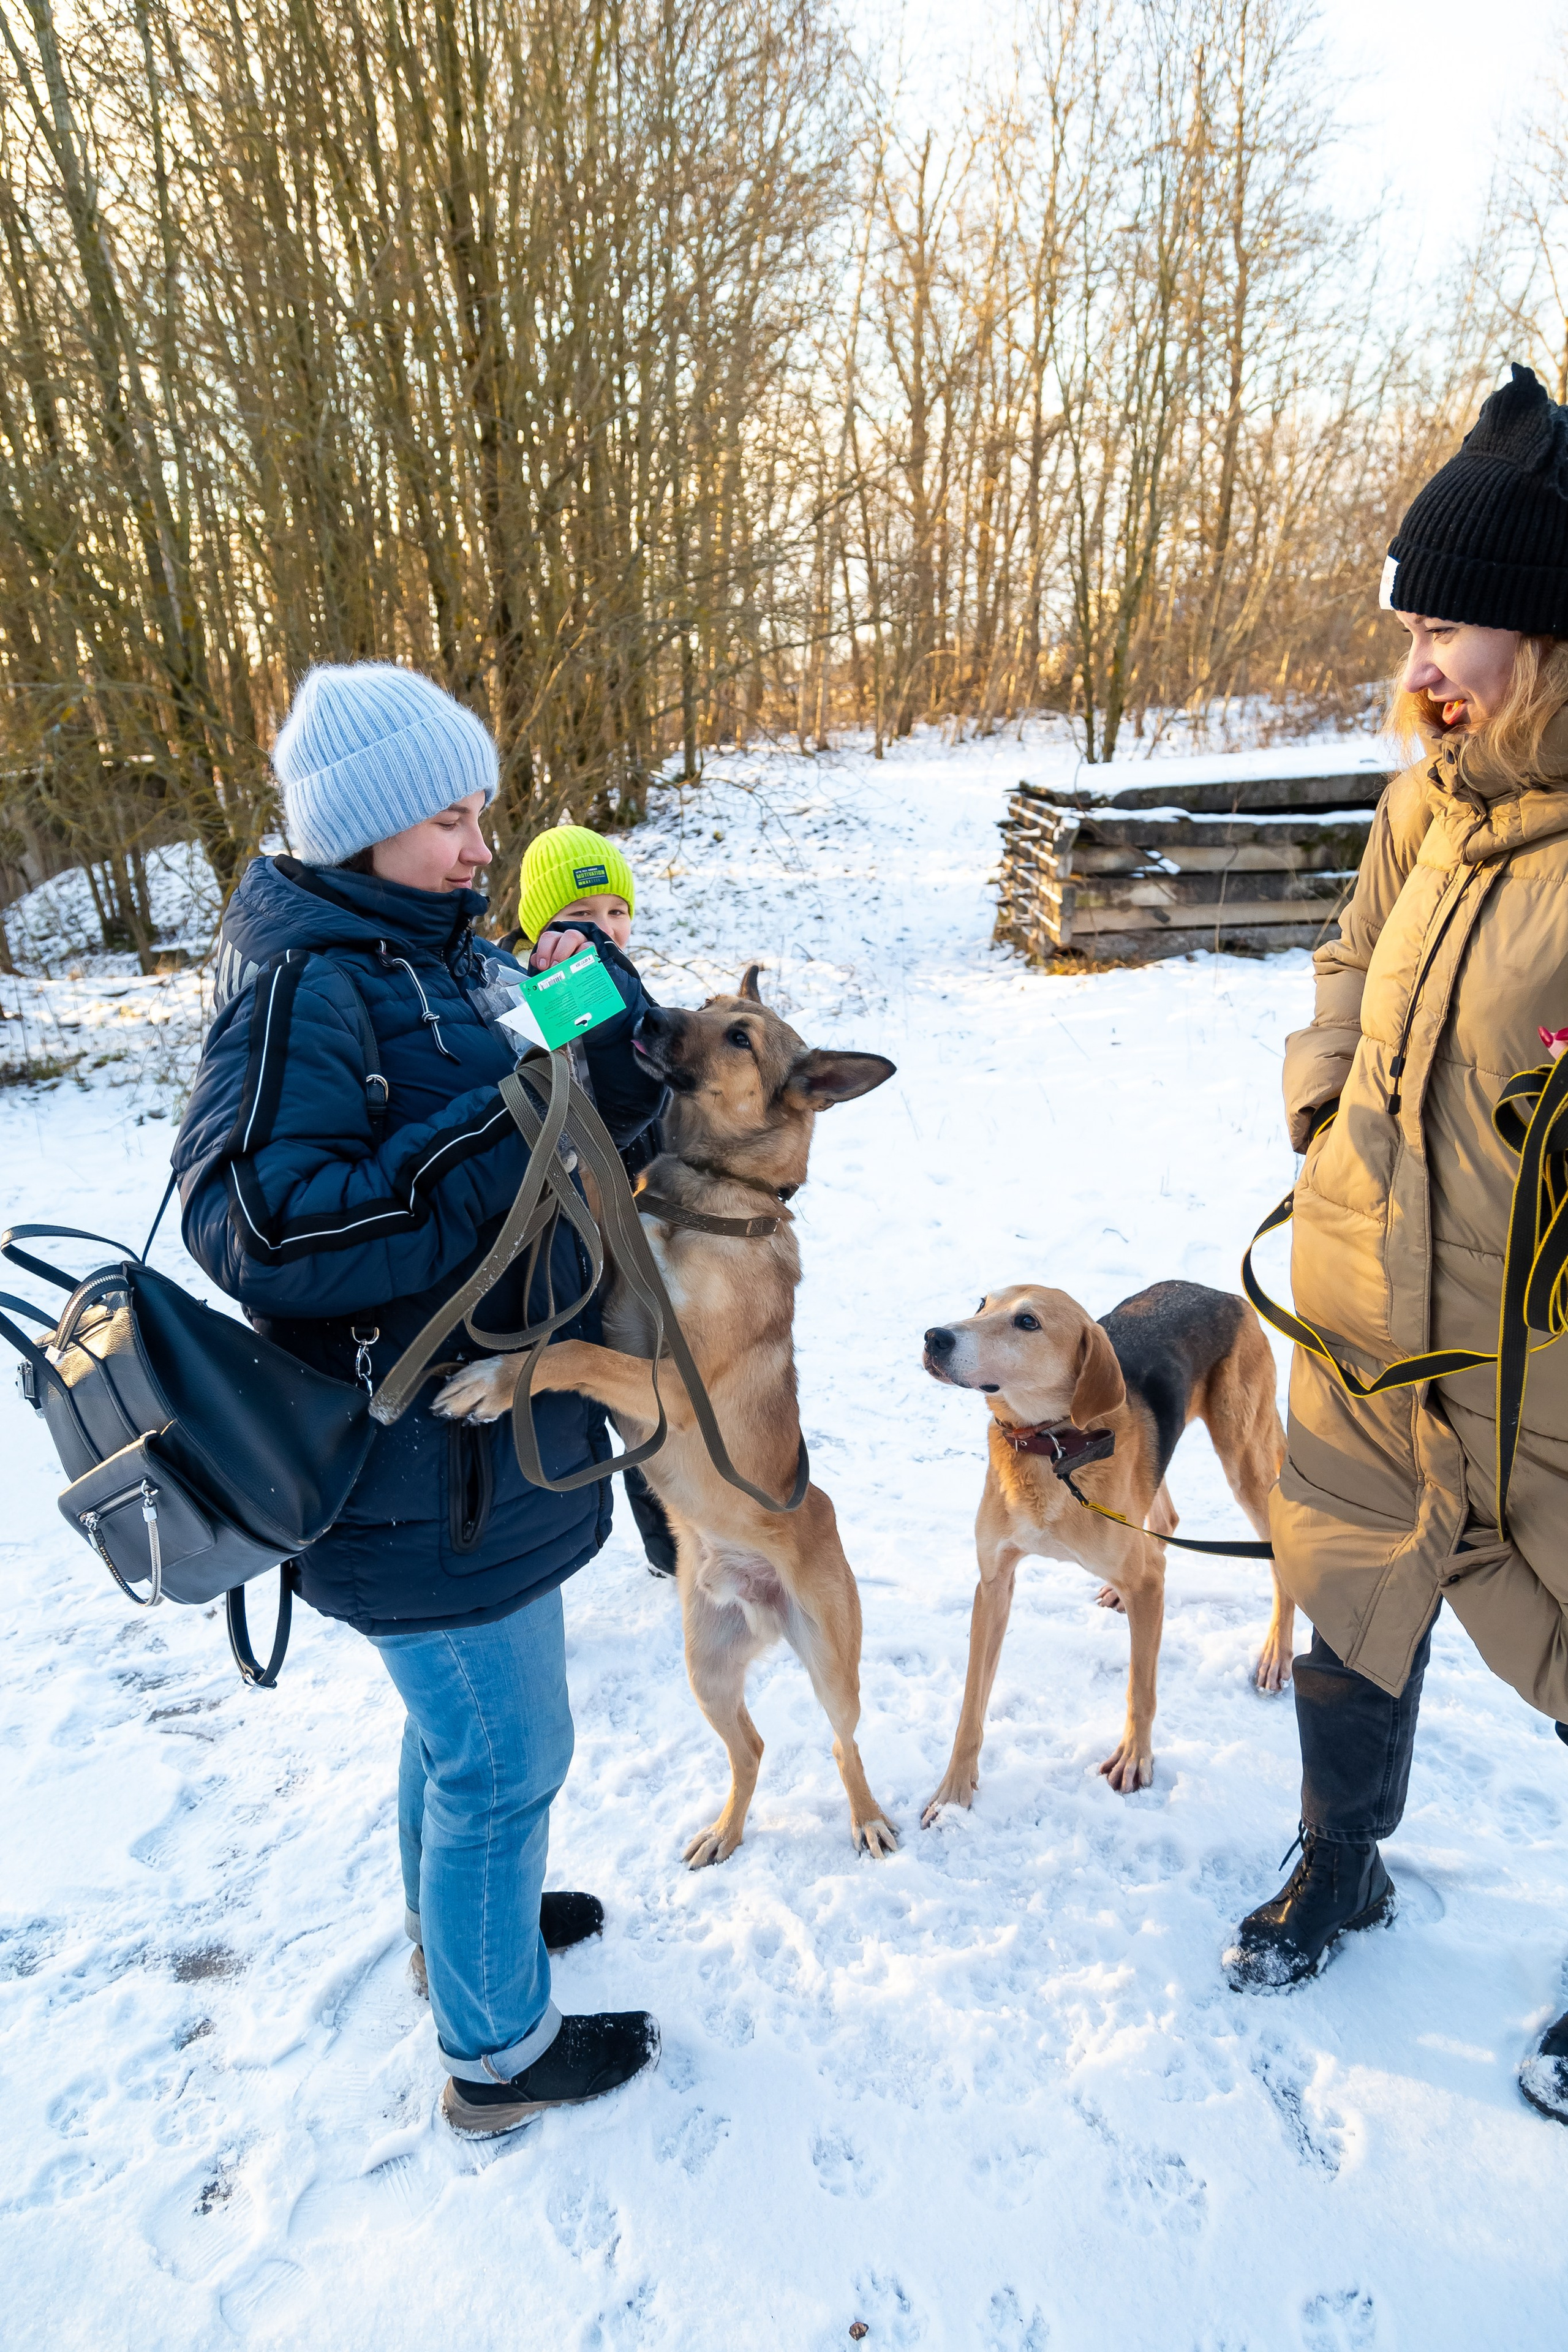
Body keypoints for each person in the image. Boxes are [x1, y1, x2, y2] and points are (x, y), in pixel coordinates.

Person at [172, 664, 665, 2138]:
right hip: (412, 1469)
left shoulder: (437, 952)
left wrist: (603, 1012)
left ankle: (458, 1937)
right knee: (507, 1755)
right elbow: (257, 1222)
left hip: (475, 1456)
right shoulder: (305, 986)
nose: (476, 849)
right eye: (451, 821)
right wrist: (508, 1122)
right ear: (365, 828)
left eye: (477, 816)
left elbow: (601, 1097)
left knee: (461, 1742)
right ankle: (497, 2049)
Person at [1224, 364, 1568, 2124]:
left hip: (1542, 1343)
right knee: (1353, 1587)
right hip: (1364, 1296)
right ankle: (1338, 1857)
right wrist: (1319, 1112)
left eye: (1456, 627)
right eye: (1414, 625)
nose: (1421, 666)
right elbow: (1349, 958)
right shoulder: (1425, 796)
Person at [507, 824, 681, 1578]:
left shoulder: (629, 993)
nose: (604, 930)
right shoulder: (537, 996)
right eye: (580, 915)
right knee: (610, 1393)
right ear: (536, 926)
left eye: (616, 912)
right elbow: (578, 1113)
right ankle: (646, 1547)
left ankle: (677, 1546)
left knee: (657, 1391)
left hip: (646, 1220)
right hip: (578, 1232)